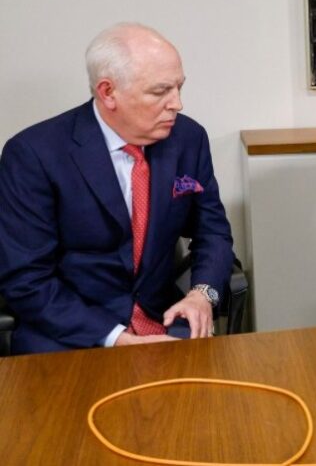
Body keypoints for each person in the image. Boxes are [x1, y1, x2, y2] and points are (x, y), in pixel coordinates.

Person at [0, 23, 234, 354]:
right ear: (108, 92)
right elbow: (27, 281)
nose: (177, 104)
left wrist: (202, 295)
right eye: (160, 91)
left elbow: (213, 233)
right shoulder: (35, 154)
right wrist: (117, 339)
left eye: (179, 88)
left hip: (164, 321)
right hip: (69, 336)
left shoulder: (188, 139)